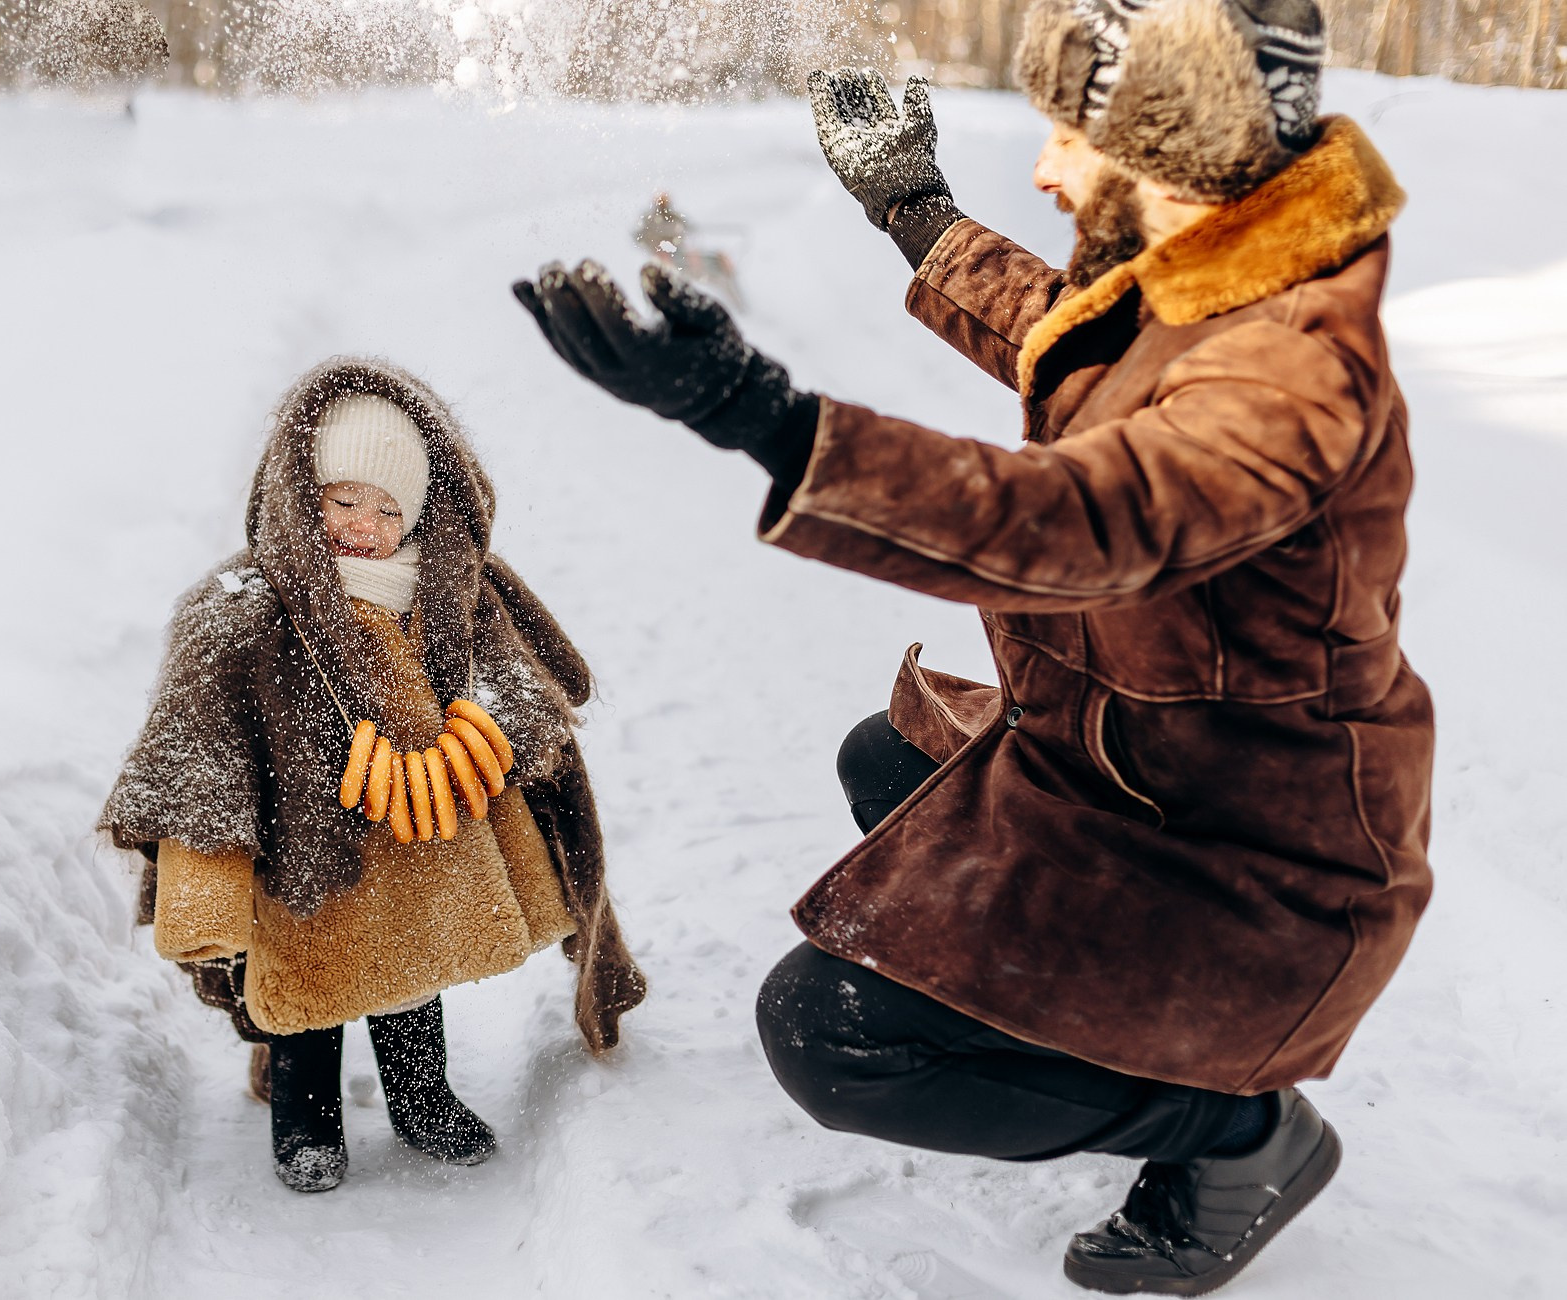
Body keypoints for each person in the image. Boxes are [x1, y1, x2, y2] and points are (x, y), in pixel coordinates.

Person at [513, 0, 1430, 1291]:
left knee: (830, 1036)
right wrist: (911, 209)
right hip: (1139, 782)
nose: (1049, 167)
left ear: (1174, 135)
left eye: (1071, 132)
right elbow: (1068, 336)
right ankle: (1126, 1047)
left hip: (1252, 871)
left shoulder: (1287, 379)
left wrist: (771, 424)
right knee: (886, 769)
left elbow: (1084, 518)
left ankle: (1236, 1131)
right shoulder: (1215, 287)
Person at [99, 357, 646, 1193]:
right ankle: (306, 1122)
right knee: (308, 998)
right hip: (306, 860)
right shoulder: (244, 612)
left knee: (409, 979)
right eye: (342, 499)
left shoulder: (451, 595)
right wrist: (202, 896)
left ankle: (423, 1100)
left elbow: (516, 699)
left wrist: (519, 755)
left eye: (389, 508)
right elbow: (198, 765)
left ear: (422, 513)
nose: (364, 523)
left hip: (423, 844)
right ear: (301, 495)